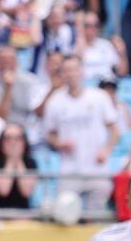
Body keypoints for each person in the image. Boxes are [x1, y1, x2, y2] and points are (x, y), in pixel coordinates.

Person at [41, 55, 119, 209]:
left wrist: (106, 150)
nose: (70, 74)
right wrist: (59, 143)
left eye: (74, 70)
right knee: (65, 215)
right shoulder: (55, 101)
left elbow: (115, 129)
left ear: (81, 72)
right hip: (69, 169)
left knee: (97, 217)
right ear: (62, 74)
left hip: (97, 169)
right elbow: (49, 134)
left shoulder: (99, 97)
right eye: (66, 70)